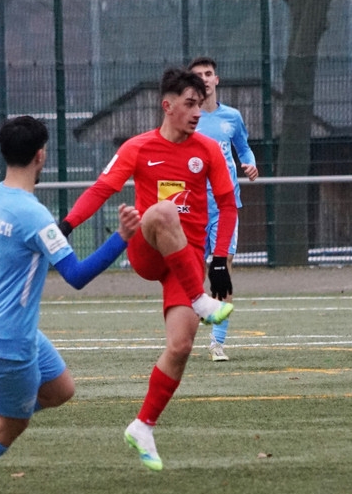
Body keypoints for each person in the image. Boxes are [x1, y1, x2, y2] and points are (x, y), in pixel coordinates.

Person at [0, 115, 140, 494]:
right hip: (8, 339)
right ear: (41, 156)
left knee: (60, 389)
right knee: (13, 423)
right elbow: (75, 276)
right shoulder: (35, 216)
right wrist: (121, 238)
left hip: (2, 327)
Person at [57, 67, 238, 472]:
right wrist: (66, 225)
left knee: (181, 346)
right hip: (147, 248)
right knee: (162, 212)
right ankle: (201, 300)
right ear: (167, 106)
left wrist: (219, 260)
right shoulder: (138, 147)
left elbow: (228, 205)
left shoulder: (208, 150)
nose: (197, 112)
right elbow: (101, 189)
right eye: (190, 104)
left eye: (200, 104)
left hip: (185, 262)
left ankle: (143, 426)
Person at [188, 56, 259, 361]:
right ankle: (184, 337)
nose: (205, 78)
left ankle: (218, 342)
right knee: (191, 273)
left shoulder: (232, 117)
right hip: (192, 208)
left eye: (209, 73)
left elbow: (243, 148)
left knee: (223, 267)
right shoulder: (187, 120)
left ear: (216, 79)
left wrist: (250, 163)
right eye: (199, 75)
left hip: (224, 207)